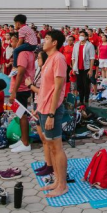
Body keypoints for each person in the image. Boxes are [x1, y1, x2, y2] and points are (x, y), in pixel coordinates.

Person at [36, 30, 69, 198]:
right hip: (44, 107)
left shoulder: (59, 58)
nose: (44, 40)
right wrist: (39, 106)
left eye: (47, 38)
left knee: (57, 147)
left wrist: (51, 114)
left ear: (55, 42)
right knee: (50, 145)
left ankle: (63, 185)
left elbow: (57, 88)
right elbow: (45, 87)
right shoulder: (49, 58)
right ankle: (57, 180)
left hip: (52, 109)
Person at [8, 32, 35, 153]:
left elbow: (21, 72)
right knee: (19, 115)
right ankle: (23, 139)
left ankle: (25, 143)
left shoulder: (23, 53)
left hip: (21, 89)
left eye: (14, 40)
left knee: (22, 115)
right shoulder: (25, 53)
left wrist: (14, 91)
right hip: (21, 88)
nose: (12, 43)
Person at [71, 30, 96, 106]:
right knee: (80, 85)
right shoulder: (76, 45)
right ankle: (81, 100)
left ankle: (86, 100)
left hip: (86, 68)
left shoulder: (89, 45)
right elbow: (73, 57)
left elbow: (92, 58)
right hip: (78, 68)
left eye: (82, 35)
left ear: (86, 37)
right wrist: (73, 68)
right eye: (80, 35)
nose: (80, 37)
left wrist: (91, 69)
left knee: (86, 85)